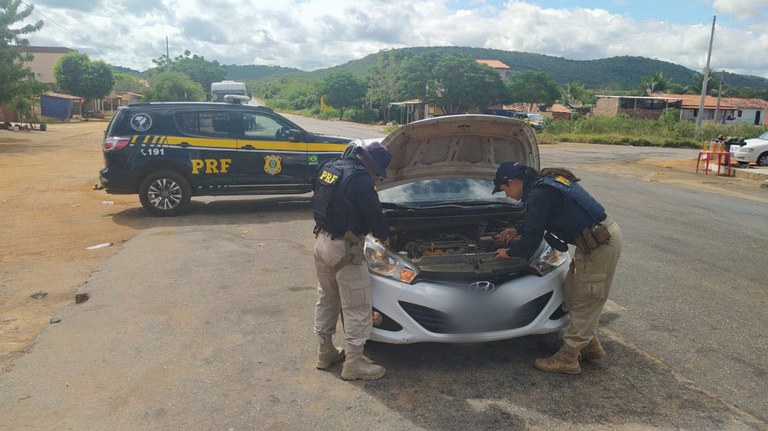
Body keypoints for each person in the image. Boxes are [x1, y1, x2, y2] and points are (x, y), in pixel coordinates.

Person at [491, 162, 622, 375]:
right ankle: (589, 347)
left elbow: (532, 240)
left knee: (585, 299)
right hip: (590, 243)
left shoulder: (539, 194)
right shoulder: (541, 187)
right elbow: (539, 221)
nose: (506, 195)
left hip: (601, 244)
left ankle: (569, 359)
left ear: (512, 182)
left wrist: (510, 252)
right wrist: (516, 230)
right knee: (570, 293)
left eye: (504, 189)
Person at [311, 142, 392, 381]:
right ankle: (354, 364)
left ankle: (325, 352)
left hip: (322, 242)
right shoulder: (361, 180)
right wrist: (385, 235)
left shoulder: (332, 167)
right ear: (370, 163)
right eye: (377, 172)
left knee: (327, 299)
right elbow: (375, 218)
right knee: (357, 306)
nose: (376, 176)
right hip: (346, 250)